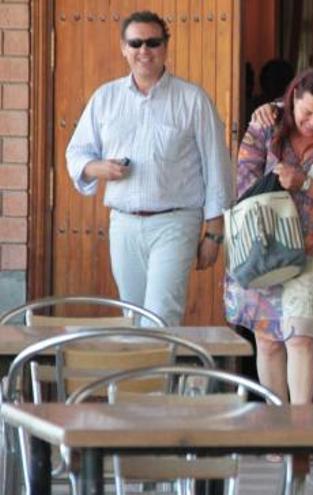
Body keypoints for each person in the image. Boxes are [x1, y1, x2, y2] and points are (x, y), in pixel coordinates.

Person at [66, 10, 232, 326]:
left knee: (161, 317)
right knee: (131, 316)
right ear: (123, 48)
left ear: (165, 47)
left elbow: (216, 164)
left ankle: (158, 377)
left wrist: (214, 234)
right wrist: (98, 168)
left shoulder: (192, 99)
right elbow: (76, 153)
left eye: (153, 43)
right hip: (124, 223)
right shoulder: (105, 98)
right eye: (136, 43)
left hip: (175, 222)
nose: (144, 51)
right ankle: (139, 378)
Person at [225, 68, 313, 411]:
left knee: (301, 336)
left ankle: (300, 430)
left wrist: (304, 183)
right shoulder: (265, 126)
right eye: (306, 112)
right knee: (268, 340)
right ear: (292, 100)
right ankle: (276, 423)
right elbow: (243, 184)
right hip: (261, 247)